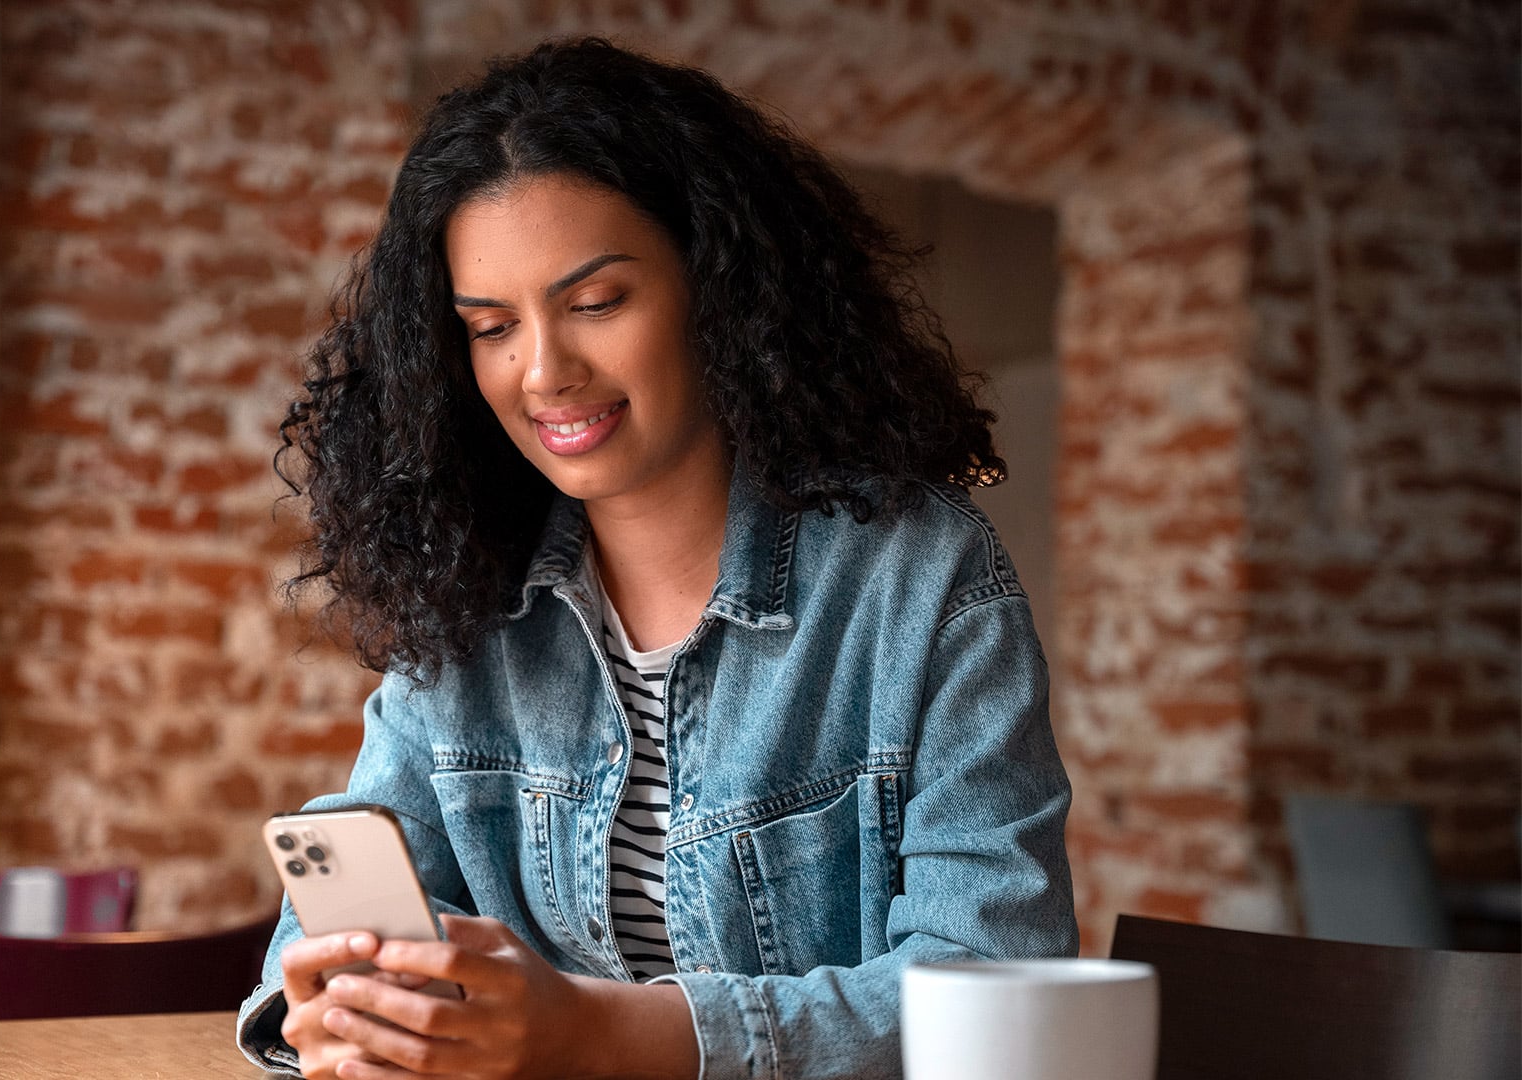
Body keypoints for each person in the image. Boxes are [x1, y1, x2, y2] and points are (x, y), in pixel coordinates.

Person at [237, 36, 1076, 1080]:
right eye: (492, 326)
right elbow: (334, 921)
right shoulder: (470, 592)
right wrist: (333, 1012)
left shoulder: (918, 581)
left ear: (718, 290)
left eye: (597, 304)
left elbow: (998, 988)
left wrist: (599, 1035)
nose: (544, 371)